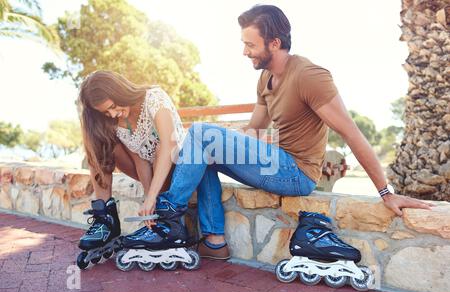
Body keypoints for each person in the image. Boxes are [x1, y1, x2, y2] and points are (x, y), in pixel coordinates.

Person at [139, 5, 432, 260]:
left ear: (274, 43)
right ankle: (215, 242)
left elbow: (352, 133)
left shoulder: (310, 76)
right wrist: (203, 148)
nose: (244, 51)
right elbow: (254, 130)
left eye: (250, 45)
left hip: (297, 172)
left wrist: (386, 193)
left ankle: (168, 221)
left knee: (202, 133)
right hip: (275, 162)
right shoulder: (266, 77)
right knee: (204, 145)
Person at [76, 70, 190, 269]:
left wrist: (153, 196)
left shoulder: (154, 98)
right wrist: (148, 198)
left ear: (119, 92)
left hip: (175, 166)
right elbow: (140, 159)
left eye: (112, 107)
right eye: (105, 112)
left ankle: (164, 222)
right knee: (97, 147)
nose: (112, 114)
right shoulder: (117, 120)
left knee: (158, 150)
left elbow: (169, 146)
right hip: (151, 169)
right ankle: (106, 220)